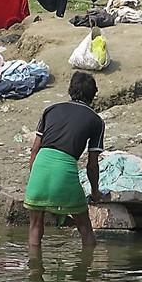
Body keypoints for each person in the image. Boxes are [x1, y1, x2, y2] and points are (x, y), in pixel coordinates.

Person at [23, 71, 105, 247]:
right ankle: (88, 269)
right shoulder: (96, 121)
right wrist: (96, 192)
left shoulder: (51, 110)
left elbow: (35, 149)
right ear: (93, 95)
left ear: (70, 90)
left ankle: (35, 271)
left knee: (35, 226)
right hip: (64, 169)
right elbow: (92, 165)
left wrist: (35, 179)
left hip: (40, 167)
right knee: (84, 226)